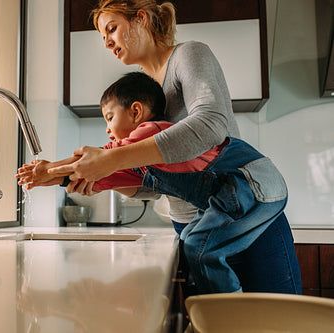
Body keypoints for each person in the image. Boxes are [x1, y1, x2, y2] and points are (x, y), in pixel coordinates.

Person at [41, 0, 301, 295]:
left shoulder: (188, 55)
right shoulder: (143, 89)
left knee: (275, 320)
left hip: (244, 217)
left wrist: (110, 160)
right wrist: (103, 177)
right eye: (103, 37)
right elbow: (155, 182)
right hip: (190, 227)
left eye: (112, 29)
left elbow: (210, 124)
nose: (106, 42)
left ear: (140, 19)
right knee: (219, 321)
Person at [17, 72, 295, 294]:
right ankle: (223, 305)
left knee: (198, 245)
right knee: (190, 240)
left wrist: (49, 168)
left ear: (136, 112)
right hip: (235, 192)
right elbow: (97, 171)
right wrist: (46, 177)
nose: (107, 129)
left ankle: (225, 313)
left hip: (252, 182)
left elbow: (101, 158)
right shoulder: (137, 163)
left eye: (110, 118)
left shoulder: (153, 132)